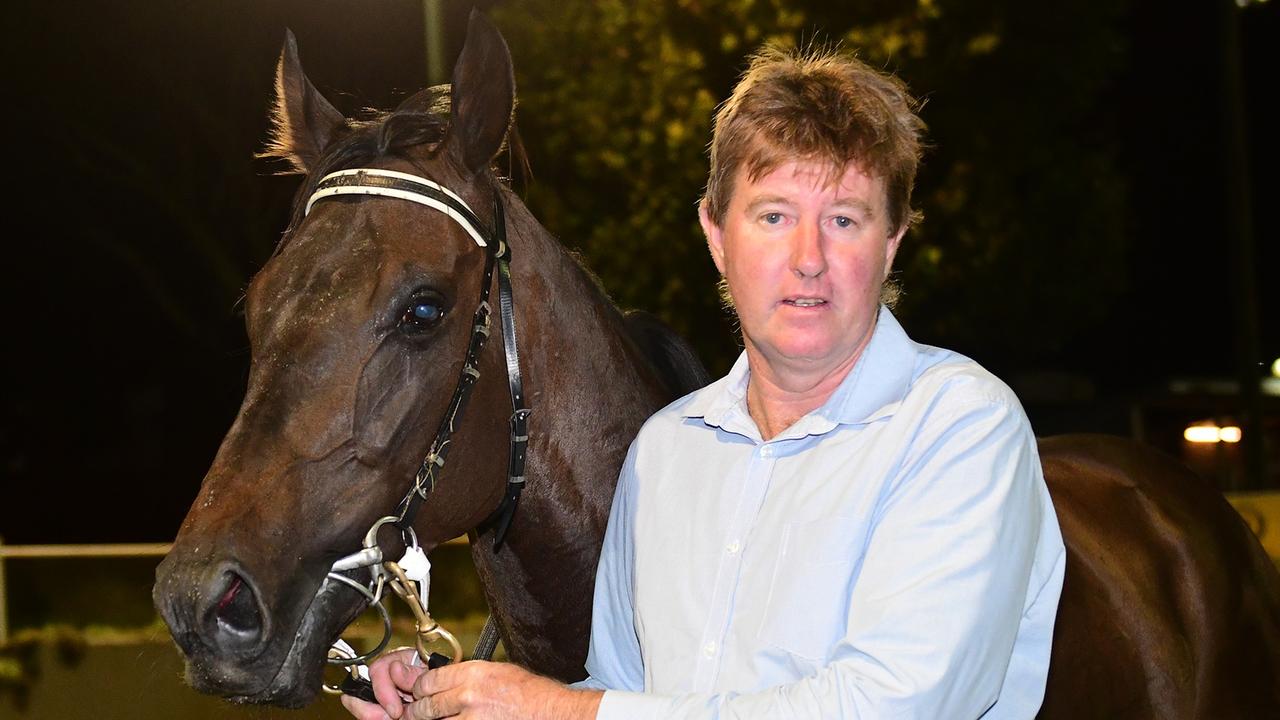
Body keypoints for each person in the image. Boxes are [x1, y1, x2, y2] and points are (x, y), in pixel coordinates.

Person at [343, 43, 1065, 720]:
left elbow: (890, 705)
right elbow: (625, 696)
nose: (808, 257)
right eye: (774, 215)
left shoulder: (961, 426)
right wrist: (456, 699)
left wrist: (561, 711)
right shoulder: (665, 451)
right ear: (717, 236)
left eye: (844, 219)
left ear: (892, 242)